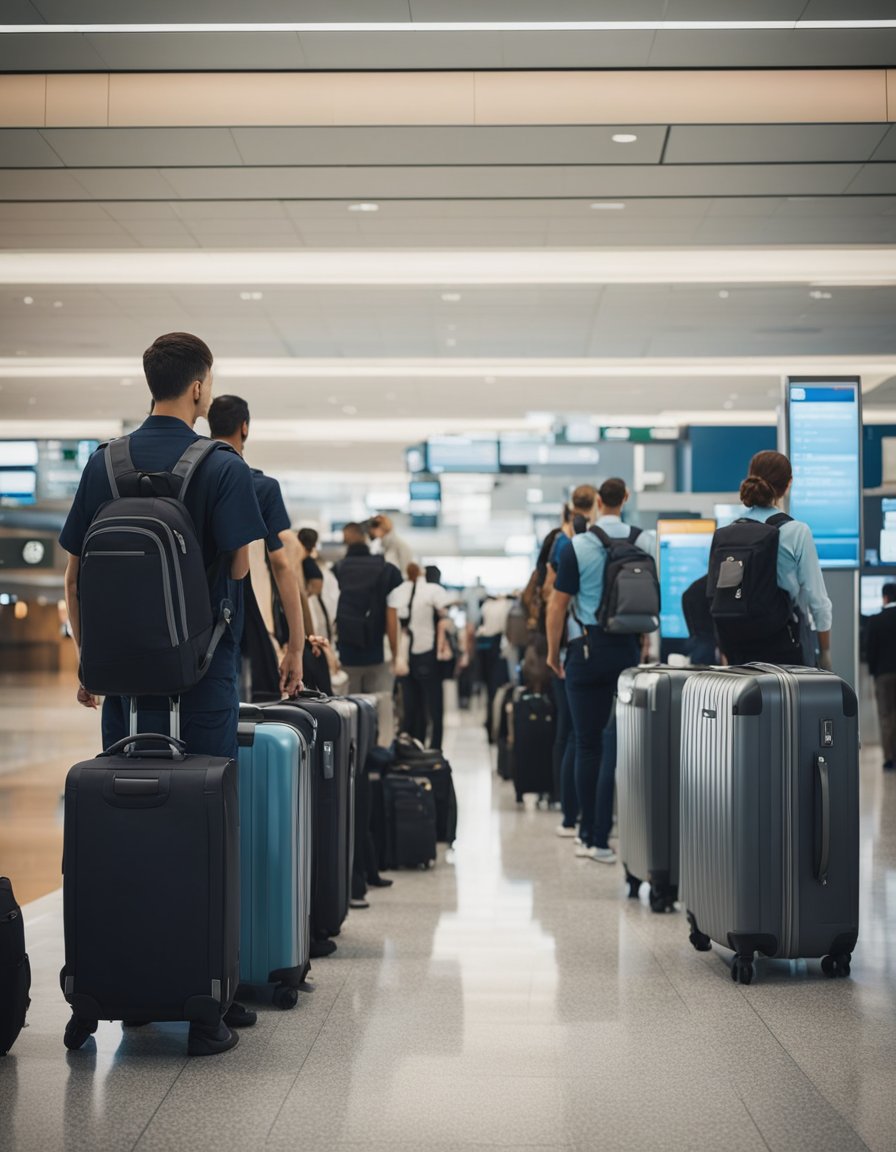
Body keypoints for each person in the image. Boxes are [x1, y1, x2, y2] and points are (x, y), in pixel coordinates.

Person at [60, 331, 267, 1056]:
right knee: (206, 829)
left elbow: (76, 578)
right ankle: (206, 993)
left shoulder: (104, 463)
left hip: (121, 686)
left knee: (127, 819)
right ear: (202, 388)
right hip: (203, 679)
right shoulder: (220, 466)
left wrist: (92, 664)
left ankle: (126, 986)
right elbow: (240, 572)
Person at [546, 477, 655, 864]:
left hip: (586, 649)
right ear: (625, 499)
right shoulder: (645, 540)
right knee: (619, 745)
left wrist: (552, 651)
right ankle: (616, 835)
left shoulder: (578, 545)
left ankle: (589, 835)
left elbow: (557, 605)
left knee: (587, 742)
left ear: (595, 503)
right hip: (627, 651)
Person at [207, 394, 304, 697]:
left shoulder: (190, 476)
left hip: (187, 619)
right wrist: (296, 647)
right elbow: (281, 565)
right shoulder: (260, 487)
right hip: (236, 620)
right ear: (244, 427)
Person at [716, 450, 832, 668]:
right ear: (788, 485)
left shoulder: (728, 531)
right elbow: (818, 601)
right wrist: (825, 652)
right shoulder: (796, 531)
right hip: (784, 643)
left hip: (737, 644)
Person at [333, 522, 403, 743]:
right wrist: (396, 653)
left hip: (346, 652)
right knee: (382, 707)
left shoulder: (337, 570)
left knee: (348, 710)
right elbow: (392, 617)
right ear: (367, 539)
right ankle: (382, 755)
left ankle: (351, 761)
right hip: (379, 652)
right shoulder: (387, 570)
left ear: (346, 541)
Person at [388, 562, 452, 749]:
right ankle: (435, 749)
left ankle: (414, 748)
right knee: (434, 707)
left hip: (405, 656)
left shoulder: (399, 591)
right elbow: (445, 615)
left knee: (412, 707)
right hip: (427, 654)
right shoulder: (433, 590)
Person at [865, 582, 896, 772]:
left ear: (885, 598)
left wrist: (873, 672)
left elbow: (870, 650)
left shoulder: (875, 620)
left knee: (885, 715)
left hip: (883, 675)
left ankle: (888, 758)